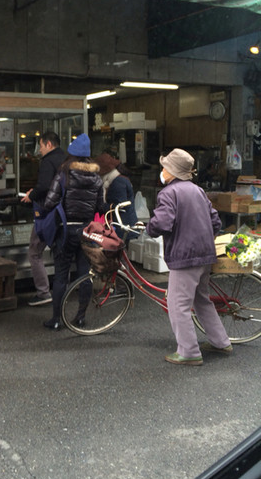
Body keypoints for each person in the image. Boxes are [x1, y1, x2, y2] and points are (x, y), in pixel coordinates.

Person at [146, 148, 232, 366]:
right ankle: (221, 341)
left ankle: (189, 352)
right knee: (201, 299)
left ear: (172, 171)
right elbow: (216, 221)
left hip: (185, 258)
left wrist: (150, 228)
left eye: (164, 168)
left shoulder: (168, 193)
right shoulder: (197, 190)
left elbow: (162, 223)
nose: (162, 171)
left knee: (178, 304)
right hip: (205, 255)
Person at [41, 133, 105, 329]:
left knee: (61, 275)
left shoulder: (64, 174)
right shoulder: (96, 179)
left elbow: (49, 202)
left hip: (66, 231)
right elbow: (100, 207)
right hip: (86, 231)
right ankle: (80, 318)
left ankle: (57, 319)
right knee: (84, 274)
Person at [21, 132, 66, 306]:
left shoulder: (48, 162)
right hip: (64, 214)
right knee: (60, 254)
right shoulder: (66, 159)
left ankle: (43, 292)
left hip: (48, 215)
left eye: (40, 145)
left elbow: (44, 187)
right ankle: (62, 290)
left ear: (48, 144)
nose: (39, 150)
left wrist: (31, 195)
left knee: (34, 252)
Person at [95, 152, 138, 241]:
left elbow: (119, 206)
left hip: (122, 228)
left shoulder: (118, 182)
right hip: (123, 226)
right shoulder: (117, 179)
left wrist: (100, 205)